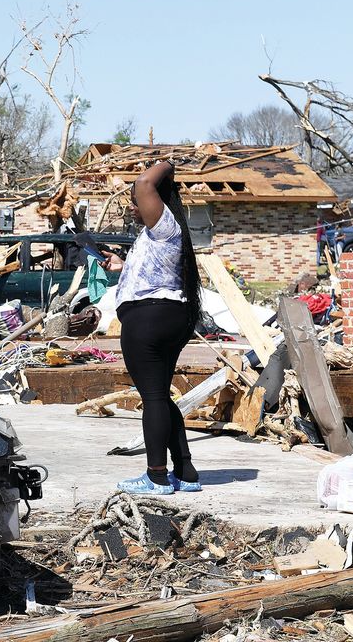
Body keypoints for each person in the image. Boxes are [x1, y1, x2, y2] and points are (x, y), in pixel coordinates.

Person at [102, 160, 203, 495]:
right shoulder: (160, 233)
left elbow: (146, 183)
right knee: (161, 395)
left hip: (148, 320)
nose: (134, 206)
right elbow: (151, 274)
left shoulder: (164, 225)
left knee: (153, 397)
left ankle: (156, 476)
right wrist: (120, 265)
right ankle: (185, 471)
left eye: (137, 200)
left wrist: (167, 165)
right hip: (166, 315)